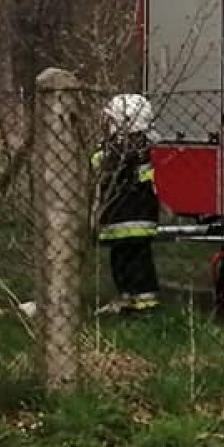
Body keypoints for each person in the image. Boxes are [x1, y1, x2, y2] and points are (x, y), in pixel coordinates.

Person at [92, 93, 161, 314]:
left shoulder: (125, 151)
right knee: (127, 259)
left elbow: (100, 164)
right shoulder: (141, 147)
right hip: (132, 215)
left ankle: (143, 305)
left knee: (134, 262)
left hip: (128, 215)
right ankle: (130, 300)